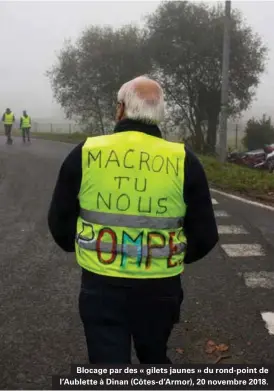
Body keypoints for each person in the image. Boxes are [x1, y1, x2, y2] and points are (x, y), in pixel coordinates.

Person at [48, 76, 219, 364]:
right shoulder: (183, 159)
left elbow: (59, 223)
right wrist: (169, 257)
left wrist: (80, 247)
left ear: (120, 109)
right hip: (160, 288)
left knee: (108, 367)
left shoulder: (86, 152)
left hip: (101, 285)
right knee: (154, 357)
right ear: (160, 114)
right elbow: (205, 236)